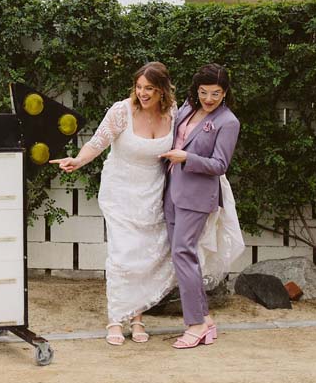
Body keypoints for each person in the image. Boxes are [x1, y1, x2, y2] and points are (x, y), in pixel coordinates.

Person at [51, 62, 178, 346]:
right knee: (123, 254)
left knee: (145, 255)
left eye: (150, 88)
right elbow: (98, 142)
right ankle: (115, 318)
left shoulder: (173, 113)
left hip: (153, 192)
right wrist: (78, 160)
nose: (142, 93)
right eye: (139, 87)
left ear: (162, 91)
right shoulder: (122, 111)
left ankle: (138, 317)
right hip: (120, 191)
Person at [161, 63, 242, 350]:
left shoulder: (228, 122)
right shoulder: (186, 109)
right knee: (181, 255)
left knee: (184, 253)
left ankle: (194, 324)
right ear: (196, 90)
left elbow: (220, 165)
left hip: (197, 196)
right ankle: (205, 320)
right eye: (204, 92)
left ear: (225, 93)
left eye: (216, 93)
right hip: (171, 190)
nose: (209, 99)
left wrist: (186, 158)